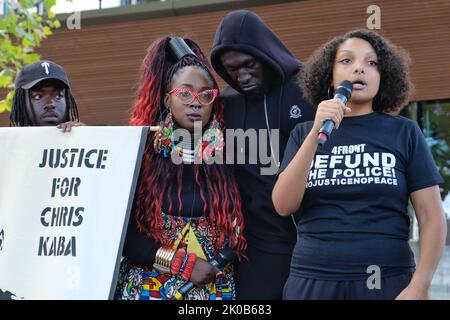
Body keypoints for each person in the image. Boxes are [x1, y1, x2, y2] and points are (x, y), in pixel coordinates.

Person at [272, 29, 447, 300]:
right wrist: (315, 132)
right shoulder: (303, 132)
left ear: (383, 77)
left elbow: (431, 217)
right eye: (346, 61)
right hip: (313, 281)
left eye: (371, 63)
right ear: (329, 77)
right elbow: (283, 205)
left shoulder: (405, 132)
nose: (359, 69)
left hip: (387, 280)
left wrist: (419, 285)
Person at [114, 36, 246, 300]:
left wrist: (222, 256)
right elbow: (117, 229)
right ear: (166, 100)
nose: (195, 102)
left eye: (205, 95)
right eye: (184, 93)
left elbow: (247, 221)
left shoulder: (231, 153)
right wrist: (180, 264)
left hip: (215, 290)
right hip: (149, 289)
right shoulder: (137, 153)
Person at [210, 10, 315, 299]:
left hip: (313, 242)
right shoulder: (226, 104)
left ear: (265, 54)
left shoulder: (308, 88)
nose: (241, 75)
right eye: (231, 70)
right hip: (258, 250)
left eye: (248, 64)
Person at [10, 60, 83, 131]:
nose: (50, 104)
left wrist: (85, 137)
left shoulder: (84, 138)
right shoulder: (6, 142)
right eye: (38, 97)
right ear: (22, 103)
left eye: (58, 96)